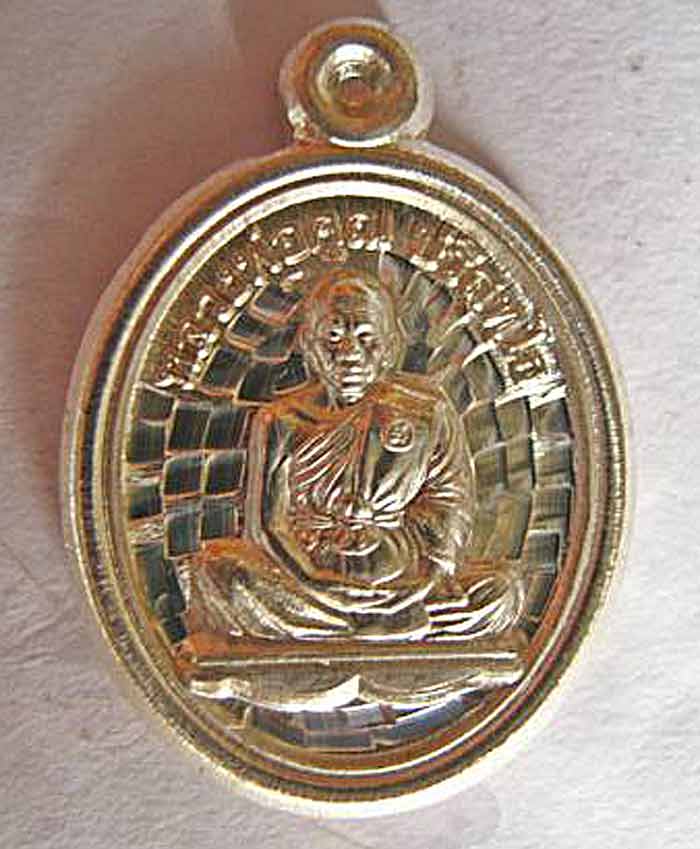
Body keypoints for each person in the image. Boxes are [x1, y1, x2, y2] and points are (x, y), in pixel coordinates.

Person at [184, 267, 523, 647]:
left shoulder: (426, 410)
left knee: (501, 590)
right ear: (309, 342)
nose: (349, 354)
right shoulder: (280, 420)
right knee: (218, 569)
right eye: (333, 337)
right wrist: (316, 580)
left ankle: (364, 622)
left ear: (389, 344)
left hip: (401, 572)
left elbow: (449, 499)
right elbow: (268, 527)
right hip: (309, 576)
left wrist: (431, 574)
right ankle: (382, 625)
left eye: (365, 337)